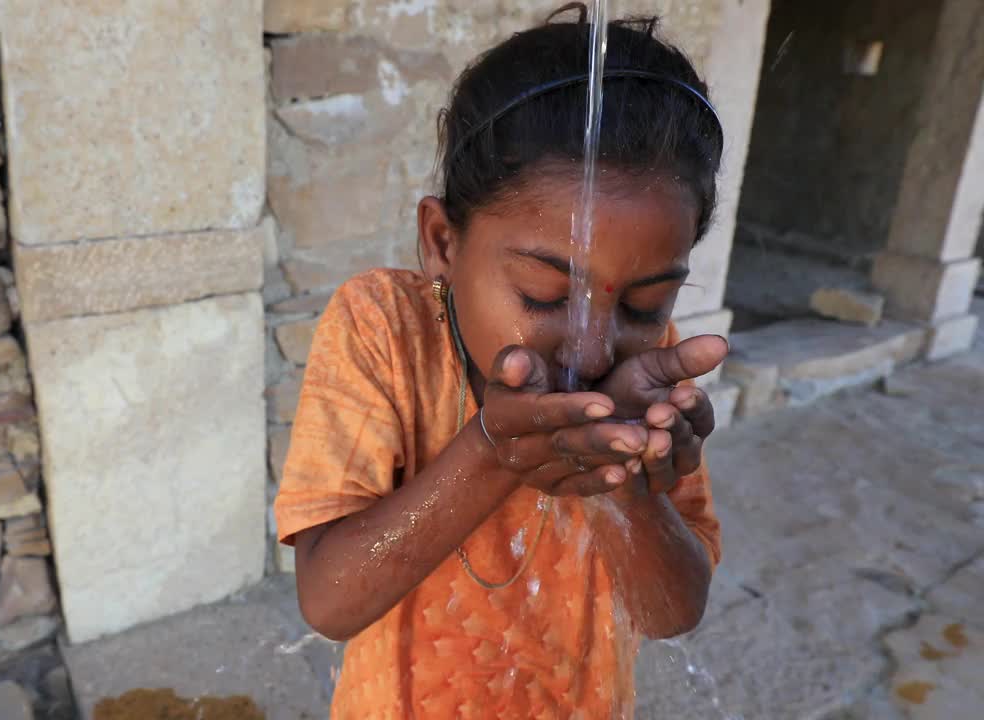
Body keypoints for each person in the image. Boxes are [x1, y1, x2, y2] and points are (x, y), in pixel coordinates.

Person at [274, 4, 729, 718]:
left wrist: (626, 484)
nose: (591, 349)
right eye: (544, 293)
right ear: (443, 242)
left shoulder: (651, 381)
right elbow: (329, 602)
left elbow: (672, 612)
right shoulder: (385, 329)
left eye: (644, 306)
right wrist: (490, 451)